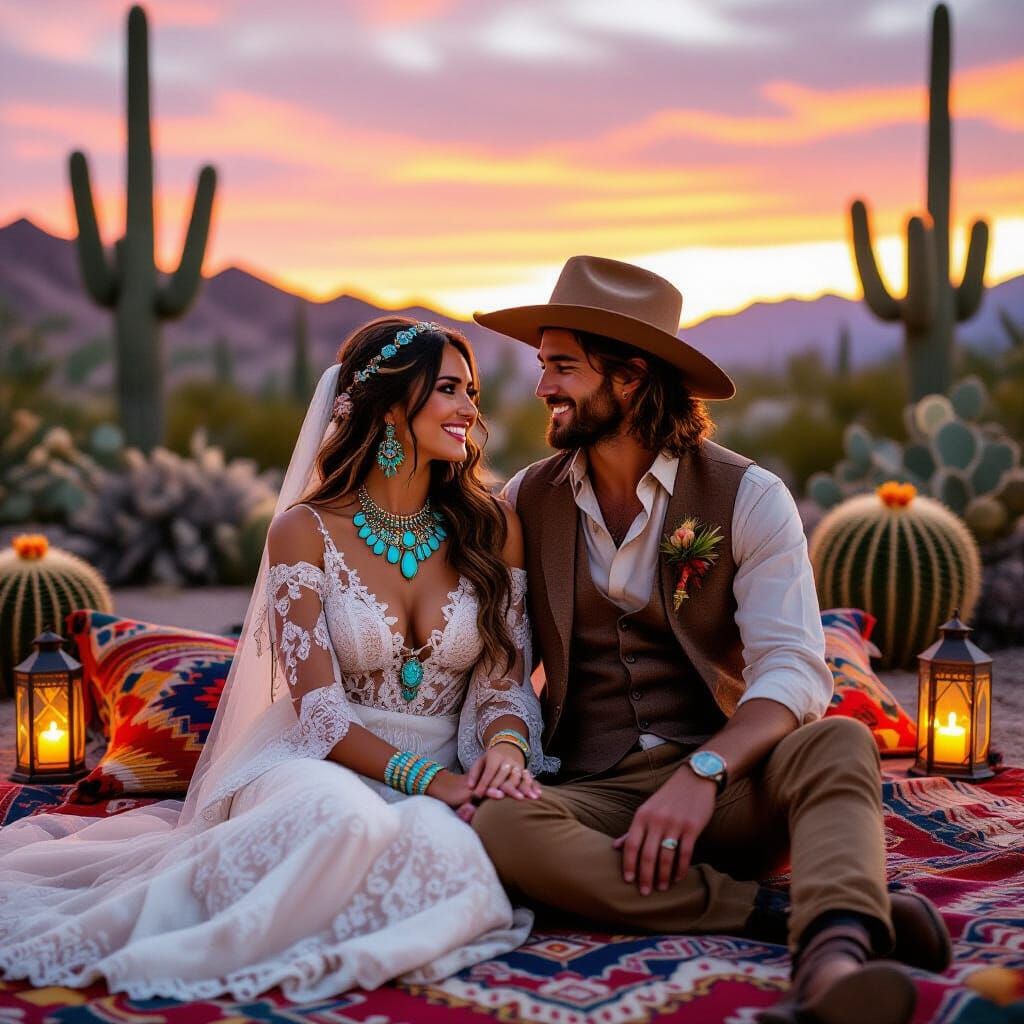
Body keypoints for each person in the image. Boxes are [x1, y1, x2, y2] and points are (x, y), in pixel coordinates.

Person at [0, 317, 557, 1002]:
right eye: (448, 389)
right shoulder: (305, 531)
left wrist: (503, 746)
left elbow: (504, 679)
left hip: (452, 764)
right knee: (344, 823)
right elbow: (318, 713)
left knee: (450, 856)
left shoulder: (492, 528)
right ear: (388, 405)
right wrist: (431, 784)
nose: (471, 409)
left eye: (470, 390)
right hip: (319, 761)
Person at [470, 256, 952, 1024]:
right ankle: (795, 916)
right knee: (500, 826)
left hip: (731, 789)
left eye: (561, 367)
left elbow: (793, 670)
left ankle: (829, 973)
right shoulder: (526, 501)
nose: (542, 389)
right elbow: (500, 662)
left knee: (837, 743)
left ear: (628, 378)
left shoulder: (749, 497)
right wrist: (503, 748)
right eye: (542, 366)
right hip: (599, 796)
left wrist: (705, 772)